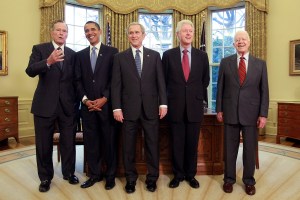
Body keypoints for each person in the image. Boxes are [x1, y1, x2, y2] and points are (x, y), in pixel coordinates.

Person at [111, 22, 167, 193]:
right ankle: (130, 179)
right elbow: (116, 85)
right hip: (128, 110)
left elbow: (161, 82)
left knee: (152, 145)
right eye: (131, 33)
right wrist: (116, 108)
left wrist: (163, 103)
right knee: (128, 147)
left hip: (151, 108)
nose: (134, 35)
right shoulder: (120, 58)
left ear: (143, 35)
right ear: (128, 36)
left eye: (137, 32)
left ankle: (152, 178)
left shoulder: (155, 55)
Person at [25, 20, 79, 192]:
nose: (61, 33)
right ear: (52, 32)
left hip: (68, 106)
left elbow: (76, 81)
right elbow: (30, 71)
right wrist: (47, 62)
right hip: (44, 105)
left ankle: (69, 173)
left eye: (64, 31)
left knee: (69, 142)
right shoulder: (39, 49)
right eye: (58, 30)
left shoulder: (72, 54)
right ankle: (45, 178)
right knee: (43, 144)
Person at [216, 30, 269, 196]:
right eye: (237, 40)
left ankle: (249, 181)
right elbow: (220, 88)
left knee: (249, 150)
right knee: (229, 149)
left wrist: (263, 114)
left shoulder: (260, 64)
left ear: (249, 42)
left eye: (243, 39)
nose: (240, 42)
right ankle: (229, 180)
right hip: (230, 112)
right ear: (233, 44)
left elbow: (264, 91)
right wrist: (219, 109)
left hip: (252, 114)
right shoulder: (225, 62)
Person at [162, 19, 210, 189]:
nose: (188, 33)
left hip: (194, 108)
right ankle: (178, 175)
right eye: (185, 31)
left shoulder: (202, 56)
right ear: (177, 34)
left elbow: (205, 80)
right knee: (176, 144)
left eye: (191, 31)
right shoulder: (168, 55)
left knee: (192, 144)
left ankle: (191, 175)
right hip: (175, 108)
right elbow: (164, 81)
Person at [74, 21, 119, 190]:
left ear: (99, 31)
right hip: (87, 107)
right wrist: (85, 100)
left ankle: (110, 176)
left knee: (109, 143)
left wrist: (105, 98)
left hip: (106, 107)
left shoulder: (112, 52)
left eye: (93, 29)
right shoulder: (80, 55)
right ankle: (94, 175)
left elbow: (115, 79)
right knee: (91, 144)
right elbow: (77, 81)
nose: (90, 32)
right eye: (86, 30)